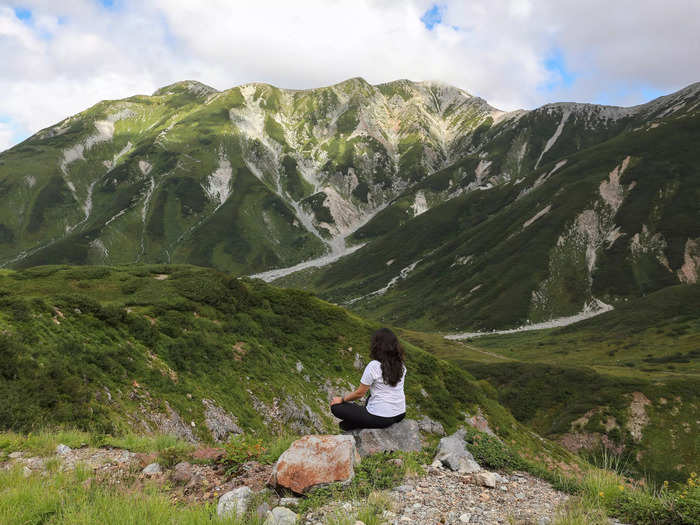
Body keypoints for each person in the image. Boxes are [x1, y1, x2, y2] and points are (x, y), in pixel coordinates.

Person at [330, 327, 406, 431]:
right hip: (400, 413)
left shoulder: (374, 365)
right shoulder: (401, 365)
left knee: (336, 407)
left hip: (381, 418)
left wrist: (341, 400)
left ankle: (357, 423)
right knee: (371, 396)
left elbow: (360, 394)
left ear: (377, 346)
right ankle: (357, 422)